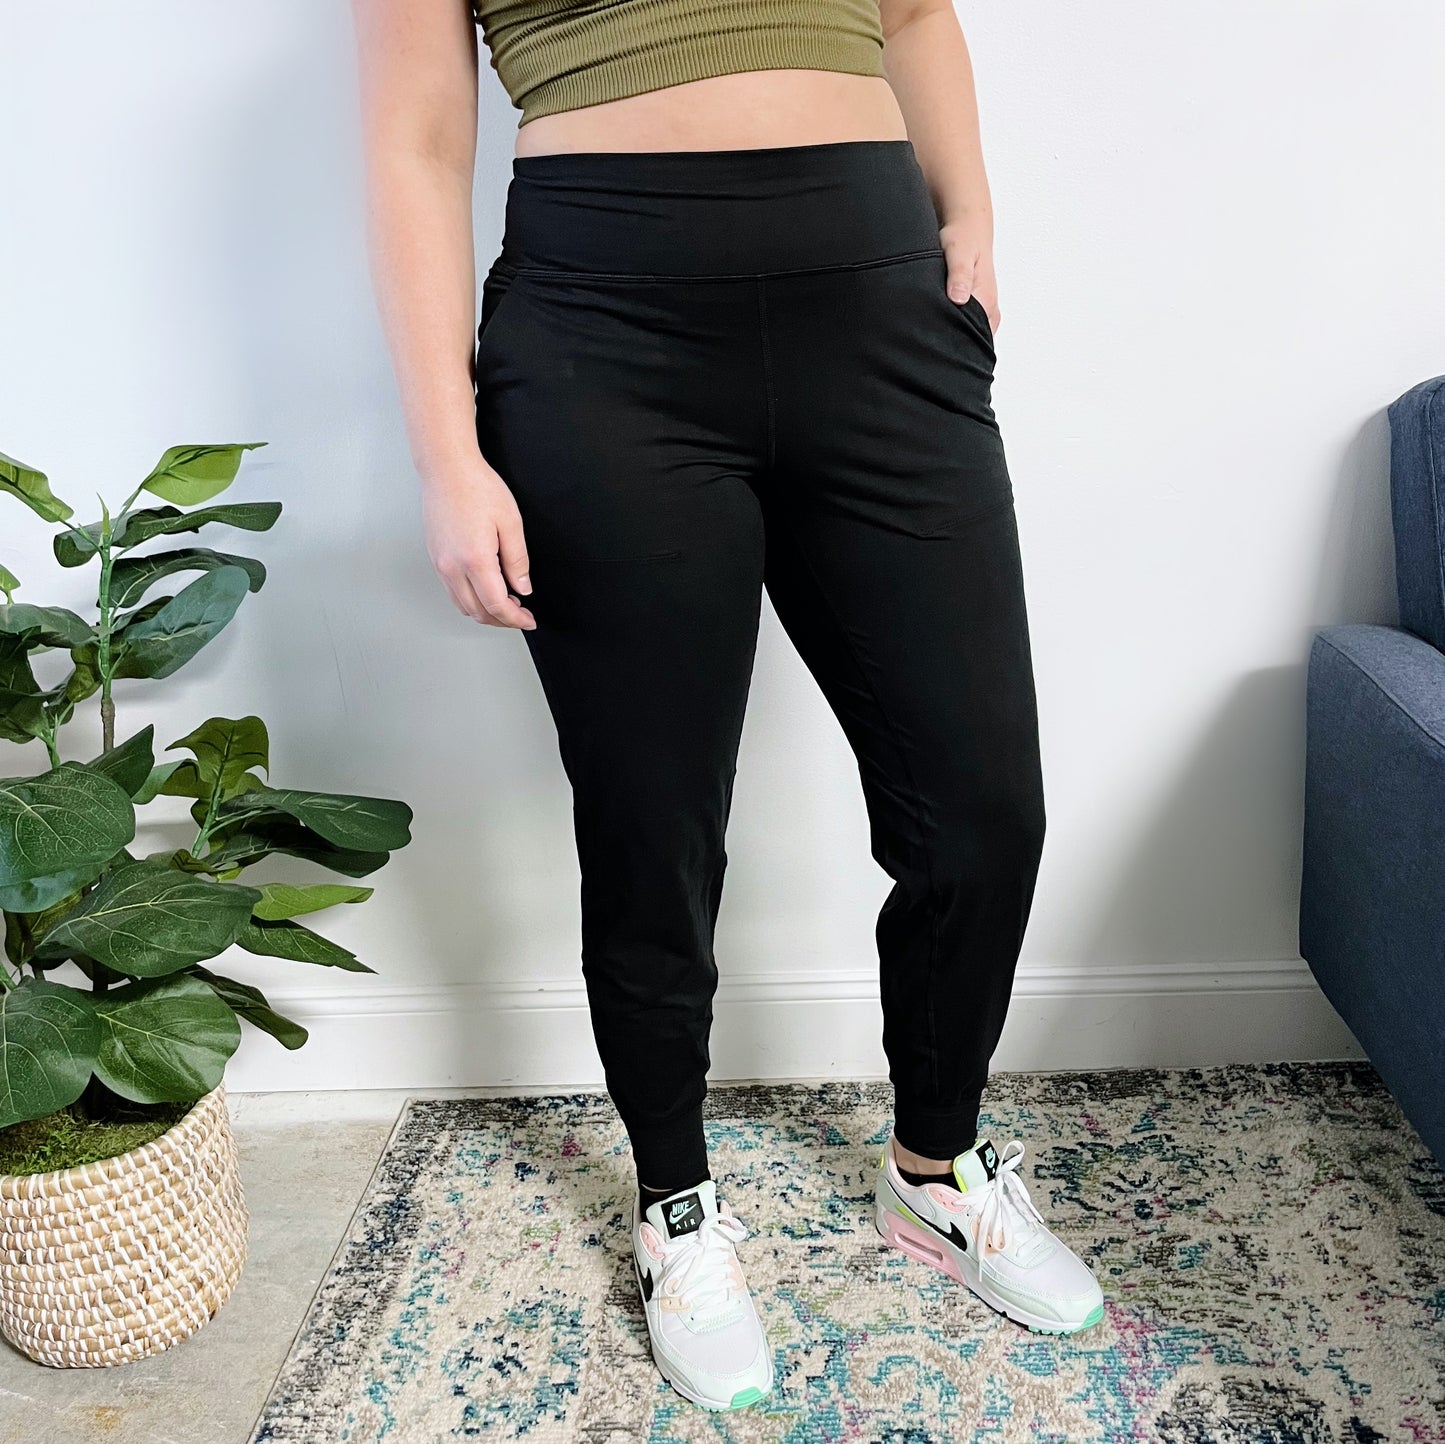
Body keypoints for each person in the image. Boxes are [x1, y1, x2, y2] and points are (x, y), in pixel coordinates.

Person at [352, 0, 1105, 1412]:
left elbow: (916, 13)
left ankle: (937, 1171)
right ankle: (676, 1205)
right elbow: (414, 140)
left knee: (982, 811)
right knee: (652, 826)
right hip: (602, 334)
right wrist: (446, 456)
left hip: (876, 305)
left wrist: (975, 223)